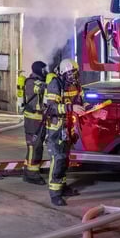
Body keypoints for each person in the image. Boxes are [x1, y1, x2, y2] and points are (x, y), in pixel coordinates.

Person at [43, 58, 85, 206]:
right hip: (56, 129)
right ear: (63, 73)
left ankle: (63, 186)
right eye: (71, 73)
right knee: (58, 159)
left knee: (65, 159)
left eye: (75, 73)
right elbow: (51, 108)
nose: (74, 76)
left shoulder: (76, 85)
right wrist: (70, 108)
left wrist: (94, 110)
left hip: (68, 129)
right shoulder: (56, 84)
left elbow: (80, 103)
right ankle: (55, 193)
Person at [22, 61, 48, 185]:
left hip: (38, 120)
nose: (45, 72)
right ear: (38, 70)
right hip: (33, 121)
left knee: (36, 147)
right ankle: (32, 175)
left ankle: (29, 170)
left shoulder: (37, 81)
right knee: (34, 147)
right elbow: (43, 87)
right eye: (44, 70)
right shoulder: (32, 82)